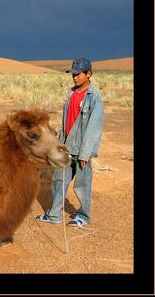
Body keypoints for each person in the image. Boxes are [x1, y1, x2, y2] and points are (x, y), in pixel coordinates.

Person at [37, 58, 104, 227]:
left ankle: (83, 215)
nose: (75, 77)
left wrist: (85, 153)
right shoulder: (71, 93)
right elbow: (66, 121)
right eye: (73, 73)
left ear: (89, 74)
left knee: (82, 185)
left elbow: (93, 128)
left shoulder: (94, 97)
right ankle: (54, 215)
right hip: (66, 148)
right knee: (59, 180)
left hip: (82, 150)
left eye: (78, 74)